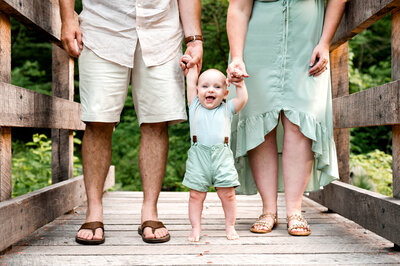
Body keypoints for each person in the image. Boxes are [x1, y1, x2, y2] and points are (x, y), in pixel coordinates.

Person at [59, 0, 203, 244]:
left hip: (162, 30)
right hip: (102, 26)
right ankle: (94, 211)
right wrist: (67, 17)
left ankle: (150, 211)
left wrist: (194, 39)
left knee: (157, 122)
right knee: (97, 120)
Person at [226, 0, 346, 236]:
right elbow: (239, 7)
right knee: (259, 118)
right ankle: (268, 210)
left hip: (307, 44)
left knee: (301, 121)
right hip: (256, 44)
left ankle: (295, 210)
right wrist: (237, 56)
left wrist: (325, 42)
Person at [180, 55, 248, 241]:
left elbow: (242, 99)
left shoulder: (227, 108)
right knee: (195, 195)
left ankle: (230, 226)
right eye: (205, 86)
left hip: (221, 156)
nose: (211, 90)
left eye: (217, 87)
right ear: (197, 91)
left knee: (228, 194)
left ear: (225, 93)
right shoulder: (194, 105)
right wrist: (191, 63)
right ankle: (195, 228)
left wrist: (239, 83)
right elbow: (191, 79)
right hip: (198, 156)